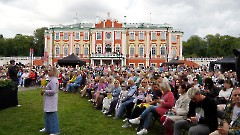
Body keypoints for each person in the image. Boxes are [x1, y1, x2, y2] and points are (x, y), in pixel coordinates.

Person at [40, 66, 60, 135]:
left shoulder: (54, 80)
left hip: (52, 99)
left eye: (49, 70)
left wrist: (45, 91)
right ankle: (47, 127)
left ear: (53, 72)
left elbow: (54, 91)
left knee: (52, 114)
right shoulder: (50, 79)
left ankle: (55, 131)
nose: (48, 72)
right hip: (48, 99)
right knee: (47, 114)